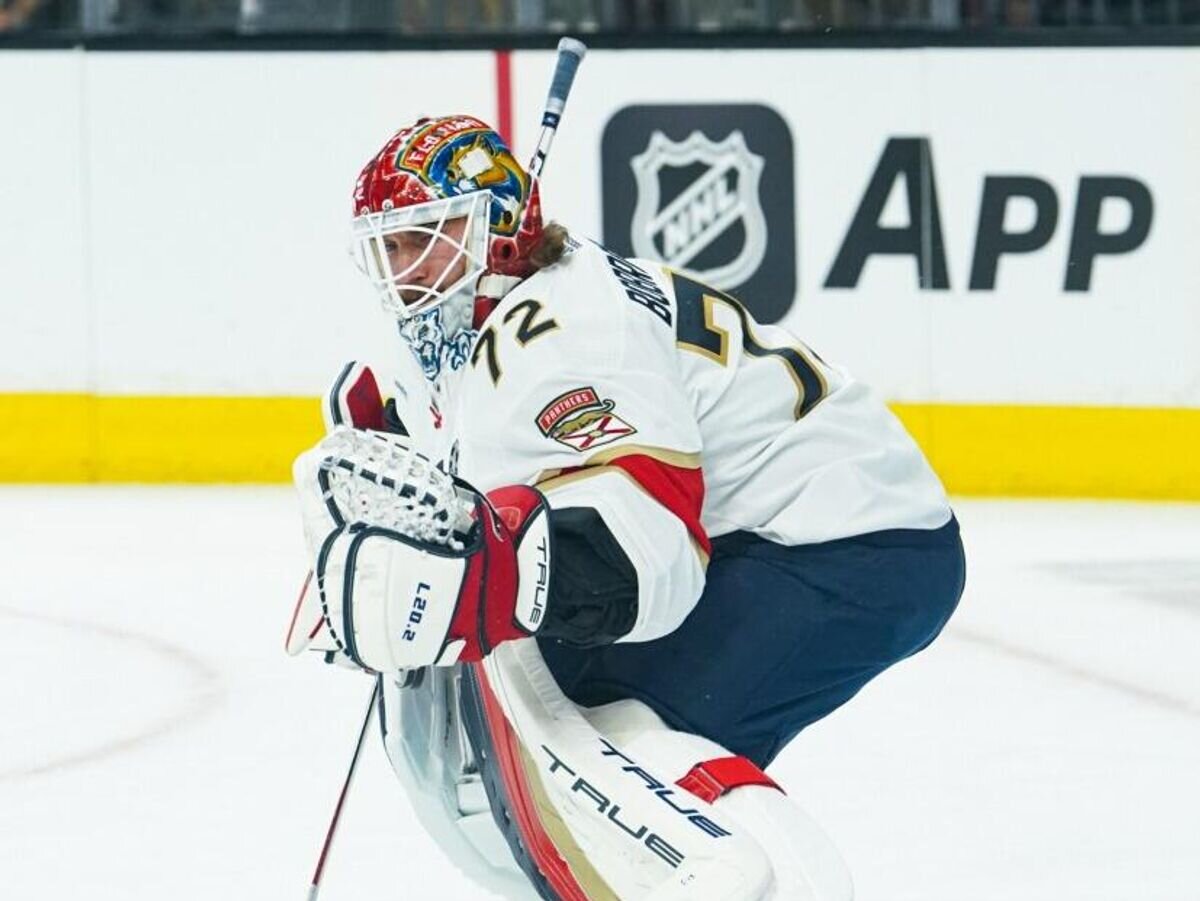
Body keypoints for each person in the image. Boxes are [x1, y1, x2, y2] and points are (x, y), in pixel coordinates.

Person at [291, 113, 965, 896]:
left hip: (855, 543)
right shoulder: (486, 314)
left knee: (615, 735)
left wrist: (477, 587)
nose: (401, 270)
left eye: (421, 239)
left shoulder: (567, 330)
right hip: (776, 527)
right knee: (565, 688)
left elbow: (650, 563)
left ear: (496, 233)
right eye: (390, 246)